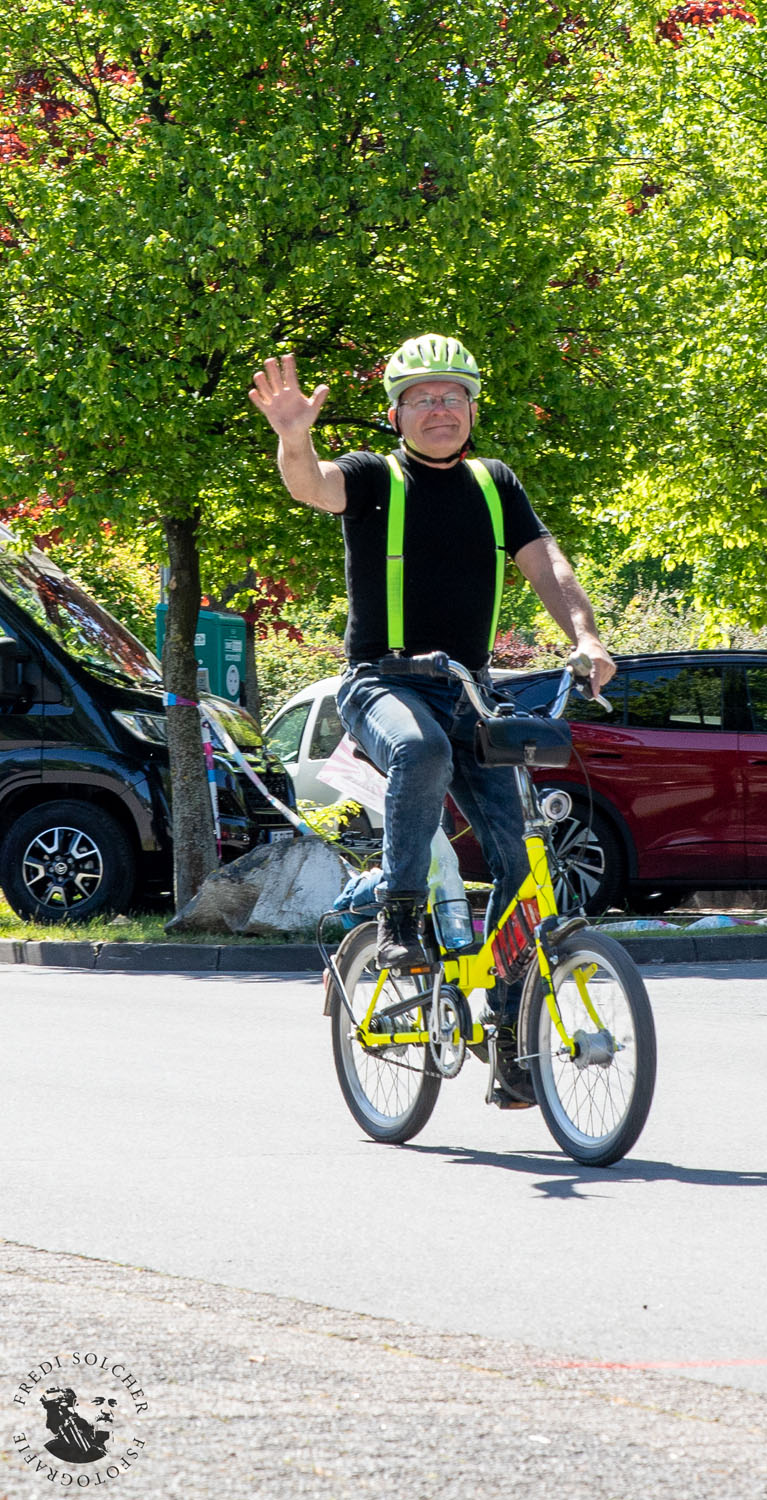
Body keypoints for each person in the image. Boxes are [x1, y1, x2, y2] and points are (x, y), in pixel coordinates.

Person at [250, 336, 615, 1098]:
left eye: (453, 396)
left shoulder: (494, 483)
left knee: (521, 858)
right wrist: (294, 439)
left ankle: (514, 1042)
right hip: (381, 681)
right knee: (420, 752)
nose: (440, 408)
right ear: (396, 415)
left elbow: (548, 563)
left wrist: (585, 636)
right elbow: (312, 485)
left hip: (470, 688)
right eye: (423, 398)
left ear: (473, 409)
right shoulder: (372, 477)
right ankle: (400, 915)